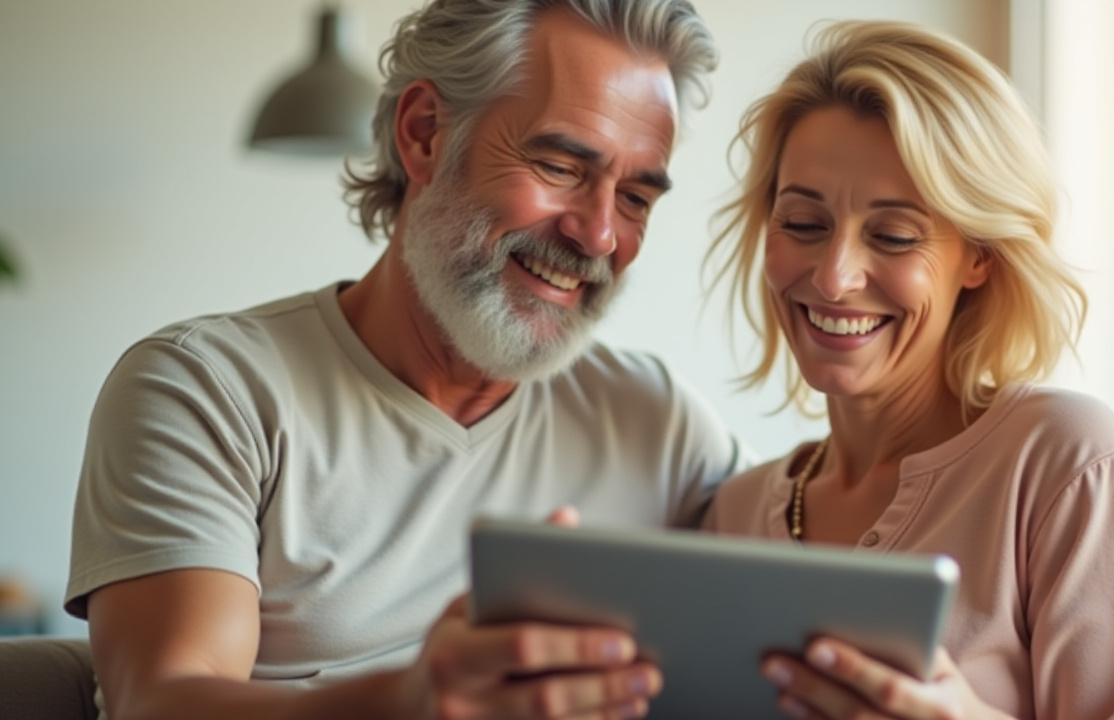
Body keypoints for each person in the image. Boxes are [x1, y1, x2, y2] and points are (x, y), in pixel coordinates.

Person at [64, 2, 749, 718]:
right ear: (424, 134)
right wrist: (410, 702)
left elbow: (828, 539)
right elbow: (159, 701)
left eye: (636, 197)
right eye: (558, 165)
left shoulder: (657, 423)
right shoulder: (208, 390)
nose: (600, 235)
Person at [704, 20, 1114, 719]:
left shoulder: (1065, 463)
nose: (835, 278)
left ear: (980, 255)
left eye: (894, 235)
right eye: (803, 224)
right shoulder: (735, 514)